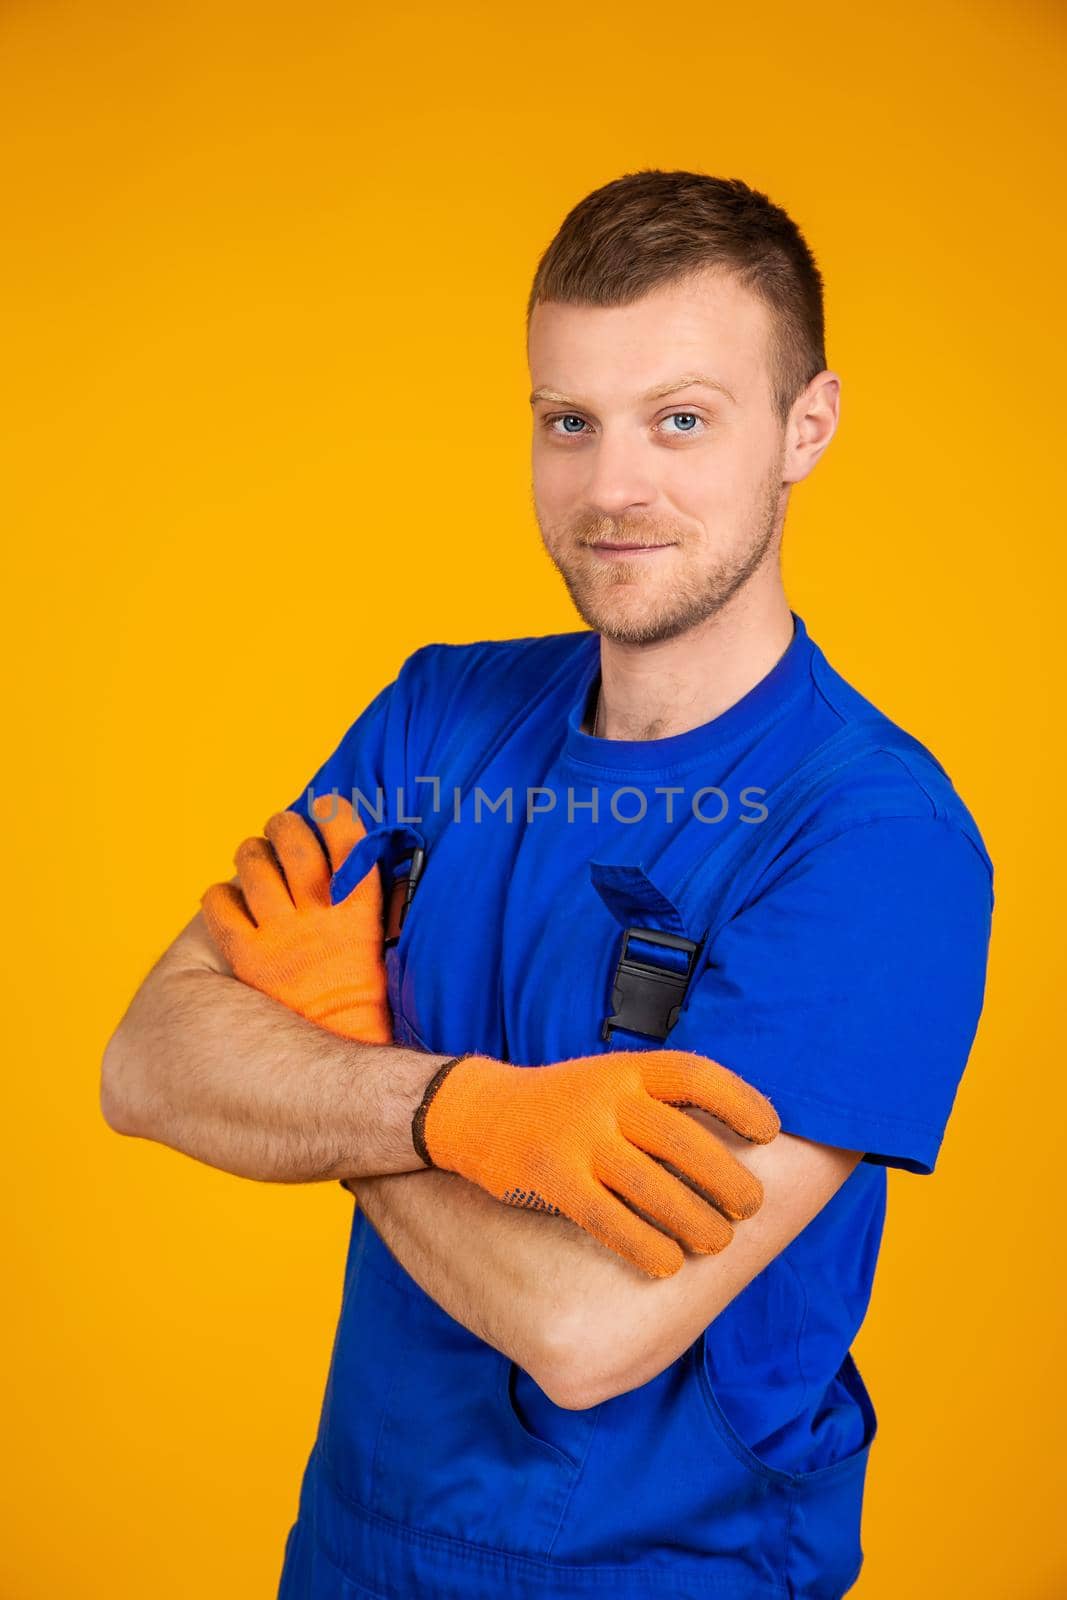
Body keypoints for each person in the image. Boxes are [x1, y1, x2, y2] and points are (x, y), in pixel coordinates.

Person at [101, 169, 995, 1599]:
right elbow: (146, 1062)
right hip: (352, 1551)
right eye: (566, 422)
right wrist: (456, 1114)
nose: (611, 487)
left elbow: (587, 1334)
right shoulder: (439, 718)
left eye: (680, 420)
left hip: (660, 1572)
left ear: (805, 428)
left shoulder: (875, 844)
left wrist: (339, 1063)